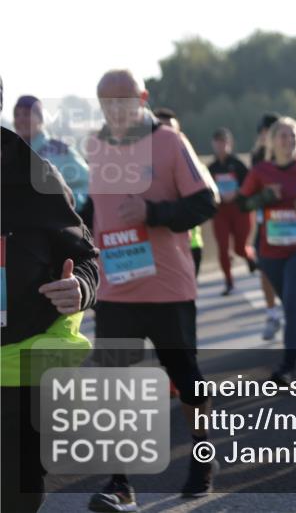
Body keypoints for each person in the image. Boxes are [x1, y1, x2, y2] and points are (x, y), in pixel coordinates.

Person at [82, 70, 219, 509]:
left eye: (123, 100)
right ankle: (119, 482)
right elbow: (94, 210)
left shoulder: (170, 142)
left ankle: (201, 462)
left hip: (168, 288)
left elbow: (206, 201)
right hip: (116, 290)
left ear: (142, 97)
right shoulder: (96, 145)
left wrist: (153, 210)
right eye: (106, 102)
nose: (115, 110)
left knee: (186, 381)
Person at [1, 77, 102, 513]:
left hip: (19, 359)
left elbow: (85, 259)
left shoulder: (36, 176)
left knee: (18, 485)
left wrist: (79, 287)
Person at [239, 116, 296, 384]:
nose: (288, 141)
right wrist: (265, 197)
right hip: (271, 251)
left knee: (291, 302)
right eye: (283, 136)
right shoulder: (260, 172)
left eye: (293, 136)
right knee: (292, 304)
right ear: (271, 141)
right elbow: (242, 205)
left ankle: (286, 367)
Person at [13, 94, 90, 210]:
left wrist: (66, 207)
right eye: (17, 115)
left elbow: (87, 184)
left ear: (40, 119)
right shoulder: (9, 154)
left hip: (56, 224)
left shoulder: (61, 150)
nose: (20, 119)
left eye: (26, 114)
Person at [153, 108, 205, 277]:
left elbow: (208, 202)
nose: (167, 136)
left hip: (191, 244)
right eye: (162, 130)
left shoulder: (193, 166)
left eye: (172, 131)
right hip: (155, 251)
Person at [207, 127, 256, 295]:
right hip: (220, 212)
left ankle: (250, 257)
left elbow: (251, 184)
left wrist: (236, 193)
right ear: (213, 144)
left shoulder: (238, 164)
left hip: (239, 211)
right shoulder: (211, 168)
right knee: (222, 248)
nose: (221, 145)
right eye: (218, 142)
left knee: (239, 248)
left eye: (224, 141)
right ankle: (229, 281)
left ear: (230, 143)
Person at [250, 112, 284, 339]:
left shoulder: (289, 152)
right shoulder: (257, 157)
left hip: (290, 224)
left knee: (288, 273)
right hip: (265, 223)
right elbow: (251, 191)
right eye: (263, 133)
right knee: (264, 269)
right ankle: (272, 314)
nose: (266, 137)